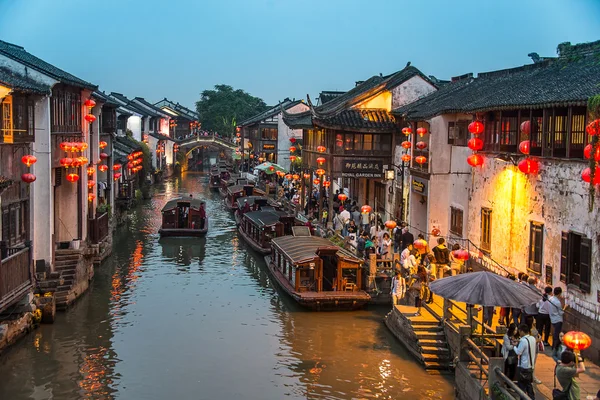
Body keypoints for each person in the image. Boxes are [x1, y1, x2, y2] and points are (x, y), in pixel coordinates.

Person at [514, 323, 536, 399]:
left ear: (522, 331)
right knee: (529, 385)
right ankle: (532, 398)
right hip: (531, 365)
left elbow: (518, 352)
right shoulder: (533, 339)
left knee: (522, 386)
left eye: (519, 331)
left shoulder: (523, 341)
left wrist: (514, 346)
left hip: (523, 366)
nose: (519, 333)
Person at [549, 286, 565, 351]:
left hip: (552, 318)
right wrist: (564, 307)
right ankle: (555, 347)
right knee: (557, 334)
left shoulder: (551, 298)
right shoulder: (557, 302)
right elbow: (561, 312)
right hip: (558, 319)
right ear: (559, 293)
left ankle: (554, 346)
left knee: (555, 333)